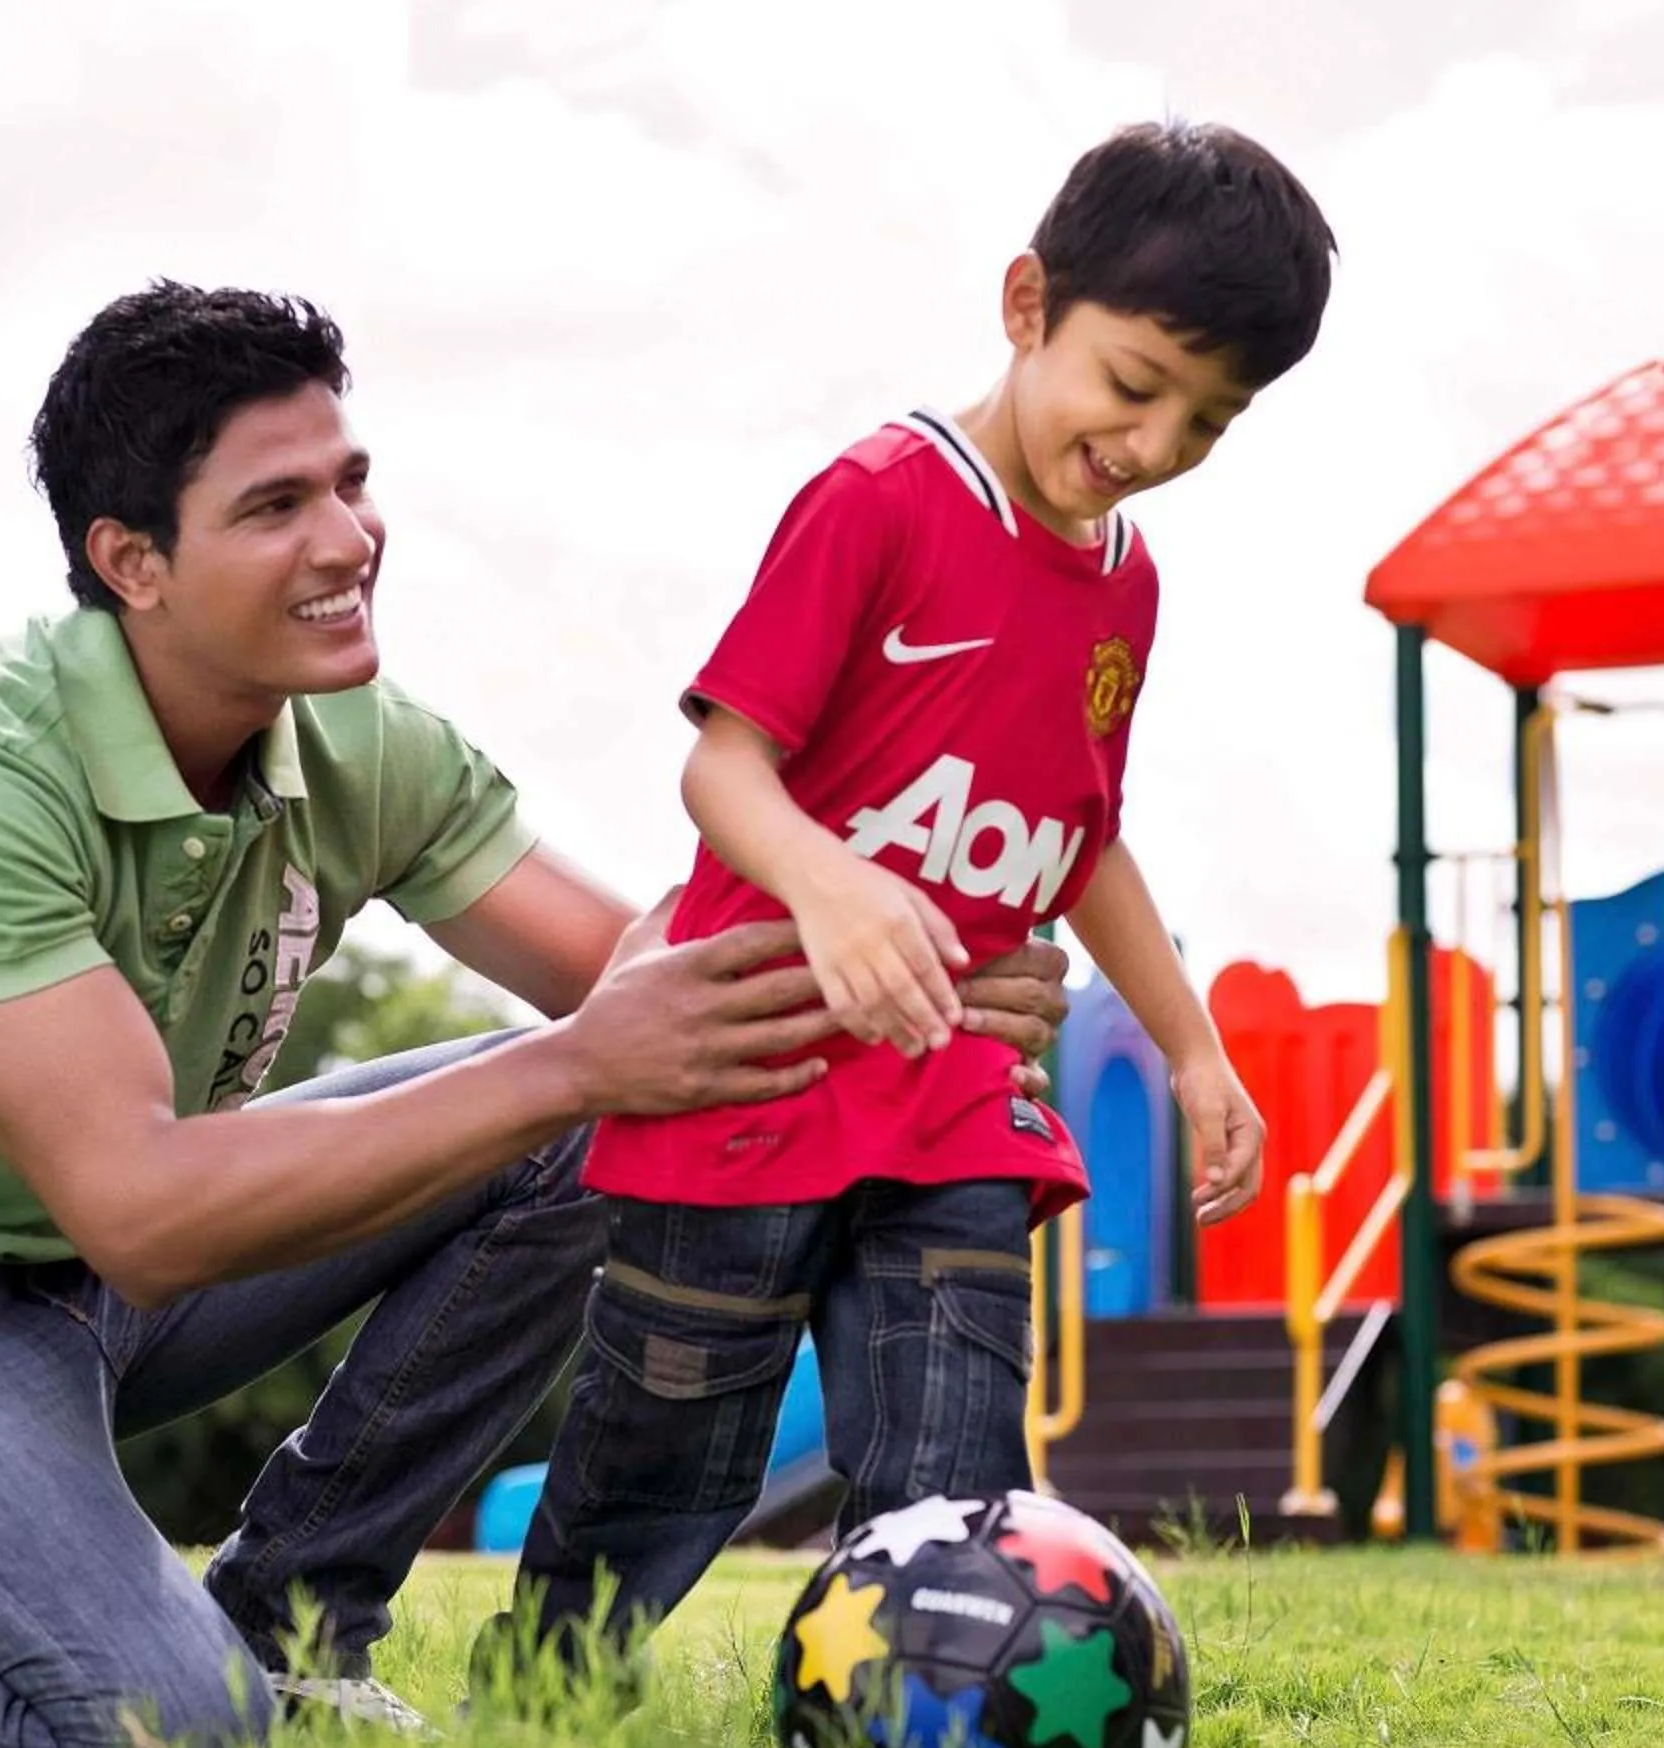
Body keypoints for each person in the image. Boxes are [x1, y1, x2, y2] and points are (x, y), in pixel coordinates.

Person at [0, 281, 1074, 1748]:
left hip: (78, 1282)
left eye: (351, 483)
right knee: (166, 1740)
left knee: (593, 1124)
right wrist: (582, 1058)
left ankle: (299, 1620)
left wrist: (903, 957)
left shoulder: (352, 737)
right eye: (276, 506)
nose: (350, 538)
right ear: (131, 561)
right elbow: (145, 1219)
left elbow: (648, 974)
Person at [485, 120, 1336, 1670]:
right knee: (662, 1465)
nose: (1153, 443)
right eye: (1136, 385)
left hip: (956, 1101)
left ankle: (933, 1743)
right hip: (745, 1078)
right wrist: (835, 890)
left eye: (1209, 422)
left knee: (954, 1484)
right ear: (1028, 307)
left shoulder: (1124, 587)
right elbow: (723, 769)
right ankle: (541, 1713)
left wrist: (1195, 1049)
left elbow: (1086, 837)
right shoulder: (880, 497)